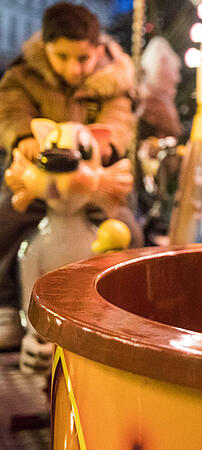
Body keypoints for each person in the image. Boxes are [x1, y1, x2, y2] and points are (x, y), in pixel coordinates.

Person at [0, 2, 140, 349]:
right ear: (45, 47)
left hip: (91, 183)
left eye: (82, 58)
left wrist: (102, 148)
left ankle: (123, 301)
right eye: (62, 57)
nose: (73, 68)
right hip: (42, 183)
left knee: (127, 230)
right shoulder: (24, 77)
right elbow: (12, 111)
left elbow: (119, 121)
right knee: (7, 223)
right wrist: (25, 138)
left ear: (97, 50)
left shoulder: (113, 81)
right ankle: (6, 303)